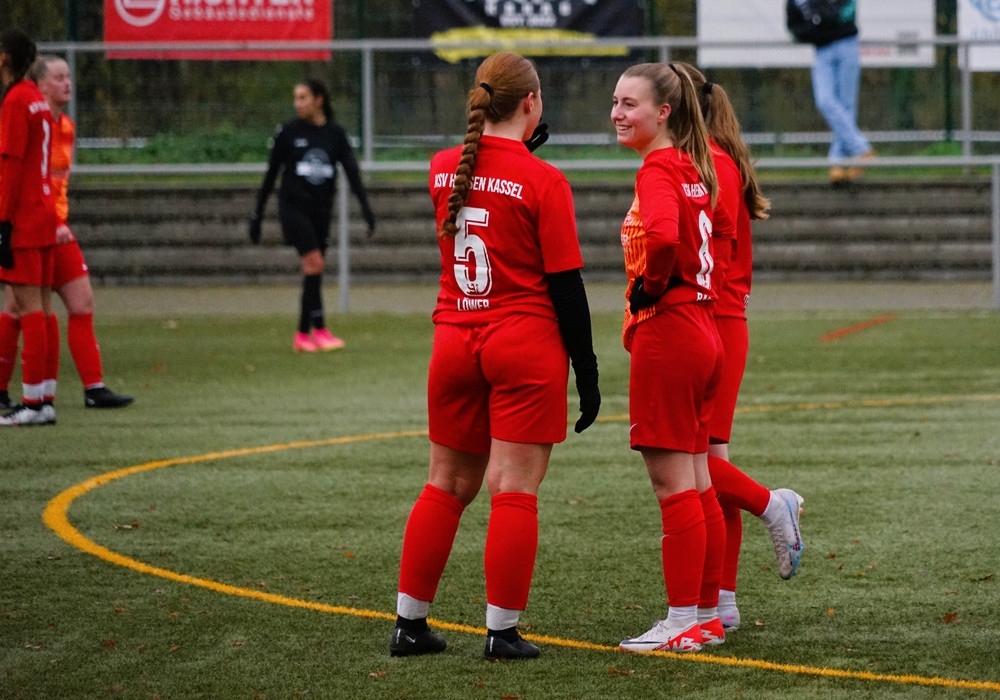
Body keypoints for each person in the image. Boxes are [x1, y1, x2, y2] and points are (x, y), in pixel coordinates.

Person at [390, 51, 600, 661]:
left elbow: (483, 188)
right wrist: (586, 371)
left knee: (445, 483)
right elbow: (567, 287)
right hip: (522, 342)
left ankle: (409, 624)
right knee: (514, 488)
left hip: (455, 338)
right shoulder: (544, 180)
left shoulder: (442, 167)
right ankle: (501, 632)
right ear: (531, 103)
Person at [676, 62, 804, 632]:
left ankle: (773, 504)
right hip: (716, 321)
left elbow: (711, 261)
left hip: (714, 321)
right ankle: (721, 600)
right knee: (709, 464)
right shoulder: (707, 160)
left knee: (695, 464)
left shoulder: (711, 165)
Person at [610, 62, 725, 653]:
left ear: (664, 113)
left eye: (629, 104)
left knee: (673, 484)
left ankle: (682, 620)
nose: (617, 113)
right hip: (702, 327)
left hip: (671, 330)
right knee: (698, 481)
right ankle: (705, 615)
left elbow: (661, 238)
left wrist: (649, 288)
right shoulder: (688, 165)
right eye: (615, 102)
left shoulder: (659, 167)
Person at [0, 54, 134, 412]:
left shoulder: (66, 126)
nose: (67, 83)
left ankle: (93, 387)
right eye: (59, 77)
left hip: (55, 226)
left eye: (69, 76)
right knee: (18, 308)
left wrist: (58, 220)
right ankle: (15, 392)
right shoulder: (27, 118)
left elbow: (54, 183)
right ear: (40, 85)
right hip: (33, 226)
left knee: (80, 302)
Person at [249, 78, 375, 353]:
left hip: (321, 212)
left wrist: (367, 209)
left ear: (319, 100)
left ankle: (304, 335)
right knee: (314, 263)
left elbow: (352, 173)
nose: (298, 103)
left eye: (303, 97)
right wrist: (257, 214)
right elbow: (271, 174)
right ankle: (318, 330)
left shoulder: (335, 134)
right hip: (293, 209)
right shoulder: (288, 133)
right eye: (296, 98)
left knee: (314, 270)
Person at [0, 30, 58, 427]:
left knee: (28, 308)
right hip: (44, 210)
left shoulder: (16, 100)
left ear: (4, 58)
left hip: (23, 216)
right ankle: (45, 397)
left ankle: (33, 402)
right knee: (42, 307)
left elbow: (11, 165)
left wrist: (2, 223)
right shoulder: (36, 97)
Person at [786, 0, 873, 184]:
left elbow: (844, 12)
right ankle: (861, 149)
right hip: (822, 49)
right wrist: (816, 28)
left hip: (847, 44)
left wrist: (821, 23)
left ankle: (837, 163)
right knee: (825, 101)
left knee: (846, 105)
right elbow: (795, 26)